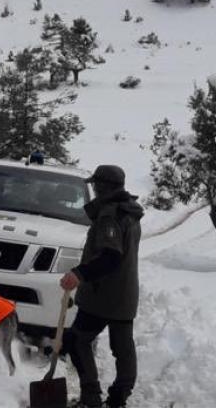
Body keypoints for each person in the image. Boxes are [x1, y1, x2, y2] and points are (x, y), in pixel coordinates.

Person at [59, 165, 143, 408]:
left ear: (102, 187)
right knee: (122, 348)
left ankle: (91, 398)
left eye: (95, 185)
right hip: (125, 295)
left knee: (76, 340)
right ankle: (118, 399)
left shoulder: (110, 215)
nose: (94, 189)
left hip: (103, 296)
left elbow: (110, 256)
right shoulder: (129, 212)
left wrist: (80, 273)